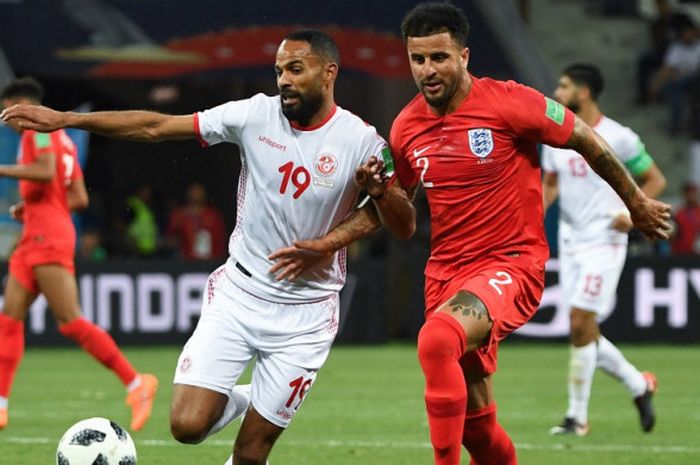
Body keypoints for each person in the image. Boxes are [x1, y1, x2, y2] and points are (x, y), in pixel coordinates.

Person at [1, 30, 415, 465]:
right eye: (279, 71)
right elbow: (157, 126)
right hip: (240, 293)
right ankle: (263, 397)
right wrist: (68, 119)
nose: (284, 80)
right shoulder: (253, 115)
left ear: (329, 72)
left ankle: (270, 402)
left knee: (251, 453)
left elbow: (402, 223)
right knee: (186, 426)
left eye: (296, 69)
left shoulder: (363, 142)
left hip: (306, 315)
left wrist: (372, 201)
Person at [297, 4, 672, 465]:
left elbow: (584, 138)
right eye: (418, 60)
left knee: (435, 340)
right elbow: (401, 222)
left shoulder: (511, 102)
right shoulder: (407, 127)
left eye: (439, 57)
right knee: (478, 429)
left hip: (510, 263)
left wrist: (635, 201)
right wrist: (351, 220)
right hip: (446, 274)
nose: (428, 71)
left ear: (464, 56)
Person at [0, 77, 158, 432]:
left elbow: (44, 171)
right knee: (9, 318)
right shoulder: (63, 138)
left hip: (47, 238)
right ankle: (1, 404)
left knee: (71, 321)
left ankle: (137, 383)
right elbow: (78, 199)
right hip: (37, 234)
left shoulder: (37, 132)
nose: (5, 118)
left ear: (21, 103)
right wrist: (32, 207)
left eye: (6, 110)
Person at [542, 64, 667, 436]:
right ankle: (638, 384)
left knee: (581, 321)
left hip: (605, 241)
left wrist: (633, 213)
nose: (557, 92)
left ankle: (576, 417)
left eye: (563, 86)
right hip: (570, 241)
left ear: (584, 93)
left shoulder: (619, 137)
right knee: (584, 328)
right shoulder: (555, 137)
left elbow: (655, 179)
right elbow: (550, 184)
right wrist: (532, 218)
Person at [166, 182, 227, 260]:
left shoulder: (213, 215)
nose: (196, 194)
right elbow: (170, 238)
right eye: (193, 191)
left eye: (198, 191)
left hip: (212, 260)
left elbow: (221, 239)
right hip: (187, 261)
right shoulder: (180, 215)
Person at [670, 181, 700, 254]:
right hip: (679, 252)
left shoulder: (698, 211)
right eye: (687, 192)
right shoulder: (678, 212)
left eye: (692, 192)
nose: (689, 195)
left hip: (696, 254)